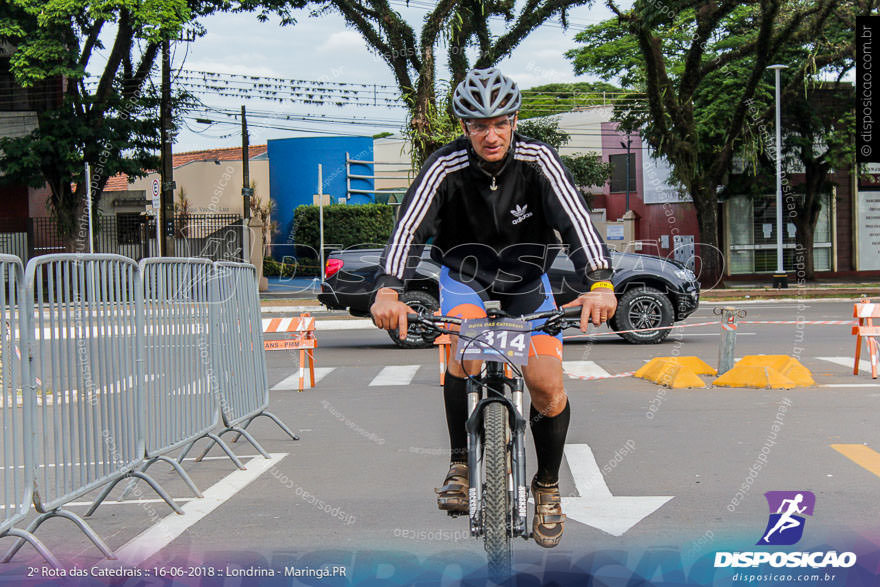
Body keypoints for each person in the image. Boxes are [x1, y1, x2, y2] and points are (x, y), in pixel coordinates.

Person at [370, 67, 616, 548]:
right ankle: (461, 463)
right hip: (464, 277)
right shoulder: (443, 168)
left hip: (526, 279)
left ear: (514, 120)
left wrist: (601, 282)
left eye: (500, 123)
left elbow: (578, 223)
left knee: (547, 386)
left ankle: (546, 487)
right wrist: (387, 291)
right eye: (479, 125)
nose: (491, 134)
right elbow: (408, 230)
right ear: (464, 128)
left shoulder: (540, 160)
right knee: (464, 351)